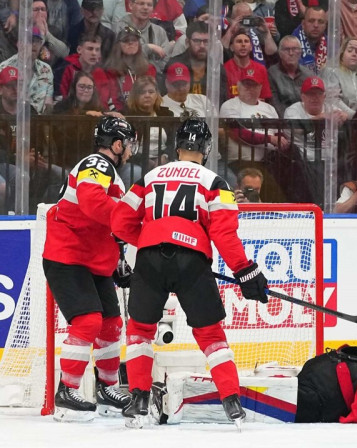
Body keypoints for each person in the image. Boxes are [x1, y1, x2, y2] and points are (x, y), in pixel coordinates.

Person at [110, 118, 270, 429]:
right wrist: (245, 271)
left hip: (150, 260)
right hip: (192, 262)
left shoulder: (149, 176)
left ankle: (140, 399)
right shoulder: (216, 183)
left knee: (141, 332)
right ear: (207, 149)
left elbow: (119, 222)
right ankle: (232, 402)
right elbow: (224, 234)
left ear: (177, 147)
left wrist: (149, 240)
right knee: (210, 335)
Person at [41, 116, 138, 422]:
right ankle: (66, 389)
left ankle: (108, 388)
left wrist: (120, 259)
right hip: (67, 257)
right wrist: (133, 224)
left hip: (92, 261)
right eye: (130, 145)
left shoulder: (112, 175)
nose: (132, 151)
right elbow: (93, 203)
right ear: (118, 145)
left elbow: (106, 225)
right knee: (88, 322)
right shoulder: (97, 163)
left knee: (111, 323)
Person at [164, 21, 227, 105]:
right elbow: (166, 98)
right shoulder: (174, 65)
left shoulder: (217, 69)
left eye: (206, 41)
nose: (202, 46)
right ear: (187, 42)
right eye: (196, 41)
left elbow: (220, 102)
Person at [97, 27, 157, 111]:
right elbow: (108, 99)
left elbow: (154, 96)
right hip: (118, 115)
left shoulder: (149, 69)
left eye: (134, 40)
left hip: (144, 115)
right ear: (118, 45)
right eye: (126, 40)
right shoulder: (109, 71)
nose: (131, 43)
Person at [114, 0, 171, 71]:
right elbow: (126, 54)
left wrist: (152, 69)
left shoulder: (159, 31)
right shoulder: (121, 28)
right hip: (127, 75)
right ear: (131, 5)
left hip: (153, 78)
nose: (145, 8)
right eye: (141, 4)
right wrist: (149, 47)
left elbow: (166, 59)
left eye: (149, 5)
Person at [269, 35, 313, 116]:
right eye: (286, 49)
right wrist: (290, 122)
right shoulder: (272, 73)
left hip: (307, 120)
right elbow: (274, 104)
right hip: (281, 121)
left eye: (295, 49)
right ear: (280, 53)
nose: (291, 53)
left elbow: (312, 102)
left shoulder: (309, 75)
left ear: (300, 52)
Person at [223, 31, 273, 102]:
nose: (243, 44)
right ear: (231, 47)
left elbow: (264, 98)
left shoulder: (261, 69)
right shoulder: (224, 69)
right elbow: (224, 100)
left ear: (251, 47)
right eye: (239, 41)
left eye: (246, 41)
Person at [55, 34, 104, 101]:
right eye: (90, 49)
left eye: (97, 50)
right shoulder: (66, 68)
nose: (94, 53)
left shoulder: (101, 72)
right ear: (79, 49)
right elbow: (59, 97)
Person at [292, 6, 328, 75]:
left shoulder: (331, 45)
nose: (316, 25)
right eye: (311, 21)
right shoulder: (292, 45)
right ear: (303, 24)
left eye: (320, 22)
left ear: (325, 26)